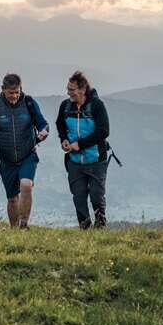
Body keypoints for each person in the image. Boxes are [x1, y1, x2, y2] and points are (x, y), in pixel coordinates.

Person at [0, 72, 49, 228]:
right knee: (12, 198)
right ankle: (14, 230)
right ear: (3, 89)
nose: (15, 96)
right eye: (11, 93)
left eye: (17, 92)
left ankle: (24, 225)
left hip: (28, 155)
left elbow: (43, 123)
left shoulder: (29, 103)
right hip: (7, 160)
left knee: (26, 185)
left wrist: (44, 132)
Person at [56, 70, 111, 229]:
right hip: (74, 161)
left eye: (71, 89)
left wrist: (79, 145)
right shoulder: (65, 106)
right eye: (68, 89)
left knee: (96, 195)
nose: (68, 93)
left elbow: (103, 131)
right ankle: (85, 228)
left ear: (82, 89)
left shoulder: (97, 105)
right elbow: (60, 124)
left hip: (95, 159)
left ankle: (100, 227)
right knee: (78, 196)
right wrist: (64, 140)